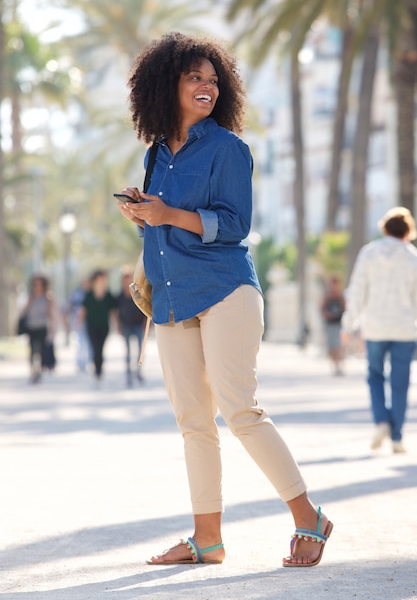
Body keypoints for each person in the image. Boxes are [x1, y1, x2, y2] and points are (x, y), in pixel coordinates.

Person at [117, 32, 332, 567]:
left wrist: (168, 215)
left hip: (225, 290)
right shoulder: (155, 154)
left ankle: (310, 516)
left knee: (240, 410)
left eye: (213, 80)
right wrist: (146, 213)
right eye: (195, 78)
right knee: (193, 420)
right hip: (171, 296)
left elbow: (235, 226)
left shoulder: (230, 149)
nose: (206, 87)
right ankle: (207, 539)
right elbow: (165, 219)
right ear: (167, 84)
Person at [341, 207, 417, 453]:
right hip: (405, 329)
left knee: (375, 376)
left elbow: (357, 291)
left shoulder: (369, 253)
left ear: (384, 228)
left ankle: (381, 421)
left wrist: (348, 324)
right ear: (407, 231)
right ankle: (396, 437)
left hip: (374, 327)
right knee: (400, 382)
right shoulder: (412, 256)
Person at [78, 269, 117, 385]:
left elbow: (113, 312)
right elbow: (83, 310)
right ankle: (97, 371)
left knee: (100, 348)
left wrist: (117, 325)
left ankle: (99, 369)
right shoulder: (89, 295)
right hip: (91, 326)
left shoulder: (108, 295)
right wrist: (79, 323)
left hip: (104, 326)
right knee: (95, 348)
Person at [20, 274, 56, 383]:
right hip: (31, 327)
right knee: (32, 349)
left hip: (42, 327)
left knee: (41, 350)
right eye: (36, 284)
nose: (38, 286)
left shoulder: (48, 297)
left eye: (40, 284)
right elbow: (24, 311)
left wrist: (52, 328)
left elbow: (50, 314)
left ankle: (39, 369)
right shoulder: (31, 297)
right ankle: (33, 370)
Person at [116, 267, 147, 386]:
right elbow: (117, 313)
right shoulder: (120, 296)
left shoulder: (137, 291)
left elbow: (144, 306)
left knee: (140, 350)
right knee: (128, 351)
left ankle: (139, 372)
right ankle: (128, 373)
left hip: (138, 325)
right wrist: (118, 326)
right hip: (126, 325)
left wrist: (145, 323)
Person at [320, 276, 345, 375]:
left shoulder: (340, 297)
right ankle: (335, 365)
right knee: (331, 347)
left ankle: (339, 365)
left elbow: (345, 309)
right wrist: (327, 315)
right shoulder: (327, 297)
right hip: (330, 324)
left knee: (338, 346)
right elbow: (322, 310)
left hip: (339, 324)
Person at [69, 277, 92, 372]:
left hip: (90, 321)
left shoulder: (92, 294)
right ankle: (80, 363)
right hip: (79, 322)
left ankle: (89, 362)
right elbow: (71, 306)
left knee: (90, 343)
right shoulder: (77, 294)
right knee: (80, 343)